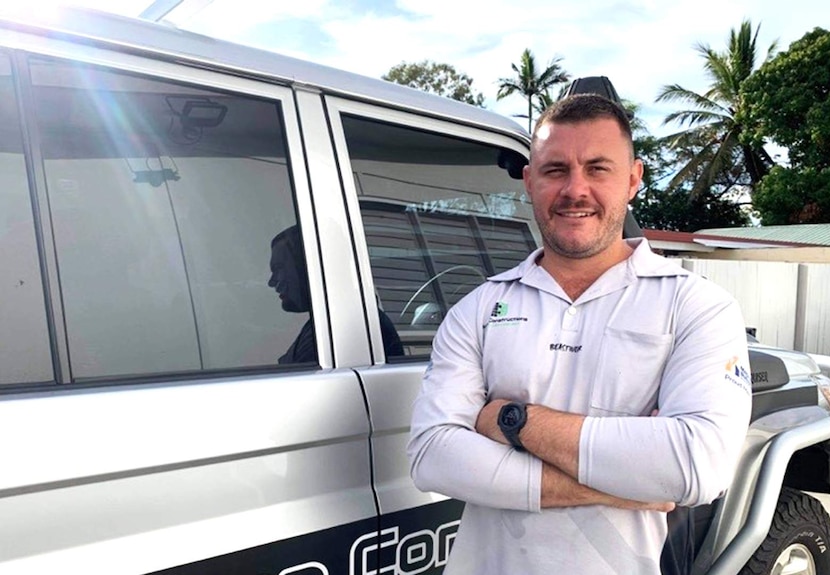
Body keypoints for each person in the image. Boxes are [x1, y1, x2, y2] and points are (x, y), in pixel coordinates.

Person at [407, 94, 752, 574]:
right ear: (530, 181)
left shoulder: (694, 305)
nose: (575, 189)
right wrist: (616, 481)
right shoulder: (479, 308)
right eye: (555, 170)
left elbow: (698, 464)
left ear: (633, 179)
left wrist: (509, 419)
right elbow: (432, 458)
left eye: (597, 168)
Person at [268, 226, 404, 364]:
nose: (272, 282)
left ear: (311, 268)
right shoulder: (330, 322)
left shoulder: (344, 327)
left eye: (279, 268)